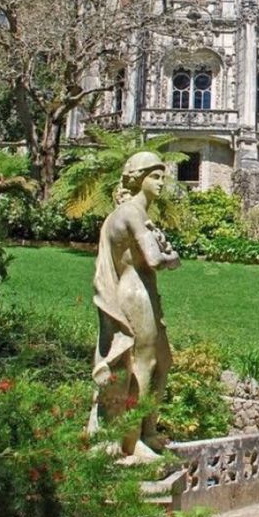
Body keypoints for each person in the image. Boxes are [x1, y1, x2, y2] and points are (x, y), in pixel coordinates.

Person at [88, 151, 181, 462]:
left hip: (145, 289)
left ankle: (147, 430)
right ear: (139, 178)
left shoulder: (138, 214)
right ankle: (132, 437)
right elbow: (155, 259)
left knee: (162, 361)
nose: (162, 182)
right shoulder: (132, 213)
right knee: (142, 362)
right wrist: (172, 257)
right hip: (134, 291)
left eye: (162, 176)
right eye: (155, 176)